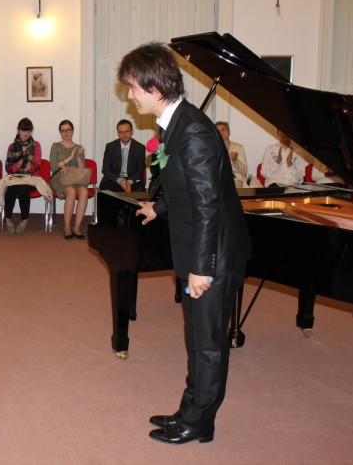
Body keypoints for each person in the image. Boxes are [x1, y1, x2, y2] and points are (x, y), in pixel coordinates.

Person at [123, 43, 250, 444]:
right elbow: (187, 188)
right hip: (198, 247)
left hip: (212, 254)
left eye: (132, 87)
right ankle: (190, 408)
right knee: (195, 337)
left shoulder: (192, 131)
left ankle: (200, 422)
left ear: (155, 86)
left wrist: (202, 268)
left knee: (208, 343)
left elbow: (209, 206)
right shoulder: (175, 124)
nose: (129, 95)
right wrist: (158, 207)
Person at [49, 120, 89, 240]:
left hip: (75, 178)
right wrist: (70, 157)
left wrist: (78, 156)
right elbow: (54, 167)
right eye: (63, 130)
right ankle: (67, 227)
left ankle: (76, 228)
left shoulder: (78, 148)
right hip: (59, 177)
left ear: (73, 131)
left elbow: (82, 169)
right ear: (60, 133)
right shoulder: (55, 146)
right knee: (71, 191)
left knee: (84, 192)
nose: (66, 133)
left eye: (68, 130)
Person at [3, 117, 42, 234]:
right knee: (11, 189)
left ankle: (24, 220)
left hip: (30, 178)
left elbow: (38, 164)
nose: (26, 134)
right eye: (23, 130)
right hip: (15, 177)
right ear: (18, 130)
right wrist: (16, 166)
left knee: (23, 190)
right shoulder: (12, 146)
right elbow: (8, 167)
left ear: (31, 131)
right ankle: (8, 219)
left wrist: (31, 167)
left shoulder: (36, 145)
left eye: (28, 131)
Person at [99, 119, 146, 192]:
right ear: (117, 133)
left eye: (127, 131)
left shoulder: (140, 148)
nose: (124, 135)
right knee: (107, 191)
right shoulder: (110, 147)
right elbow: (106, 170)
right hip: (114, 179)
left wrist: (129, 182)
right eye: (121, 132)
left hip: (132, 180)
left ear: (132, 131)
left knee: (139, 191)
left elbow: (140, 171)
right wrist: (119, 180)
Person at [214, 121, 248, 187]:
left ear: (229, 132)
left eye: (223, 129)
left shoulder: (238, 147)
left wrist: (235, 161)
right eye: (218, 131)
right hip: (218, 180)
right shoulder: (211, 148)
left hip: (235, 180)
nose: (221, 132)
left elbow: (244, 170)